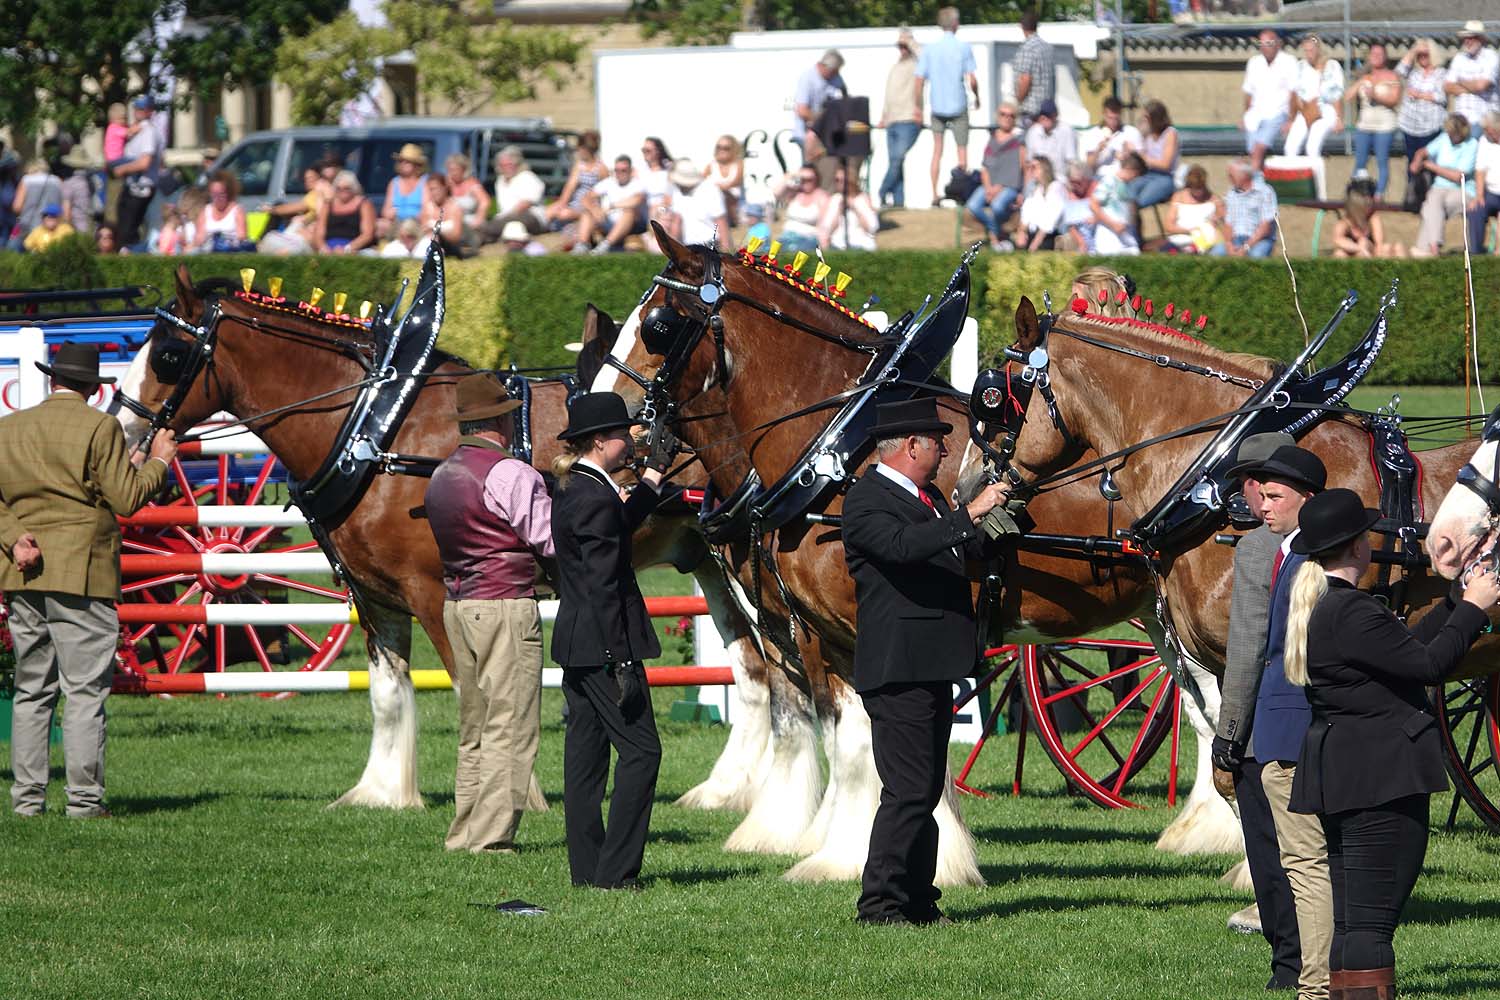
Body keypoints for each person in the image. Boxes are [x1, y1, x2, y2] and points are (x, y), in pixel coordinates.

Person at [1284, 488, 1500, 999]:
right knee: (1372, 924)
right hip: (1379, 778)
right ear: (1358, 546)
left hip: (1353, 773)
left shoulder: (1336, 608)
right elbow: (1428, 667)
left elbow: (1407, 652)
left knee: (1356, 919)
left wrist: (1453, 602)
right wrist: (1475, 608)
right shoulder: (1352, 612)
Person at [843, 397, 1009, 925]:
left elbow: (952, 553)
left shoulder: (929, 496)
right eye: (937, 441)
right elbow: (900, 547)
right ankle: (881, 902)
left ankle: (917, 896)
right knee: (909, 790)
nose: (944, 450)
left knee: (925, 787)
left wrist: (990, 527)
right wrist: (968, 515)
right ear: (911, 445)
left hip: (931, 663)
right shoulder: (867, 499)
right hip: (898, 666)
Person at [2, 343, 178, 818]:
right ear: (93, 388)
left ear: (52, 380)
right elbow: (126, 500)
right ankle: (83, 801)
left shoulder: (9, 427)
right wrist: (158, 461)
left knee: (32, 690)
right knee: (82, 691)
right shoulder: (100, 426)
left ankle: (27, 800)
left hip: (23, 572)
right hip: (82, 573)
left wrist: (16, 538)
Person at [1215, 440, 1327, 996]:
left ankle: (1294, 965)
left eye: (1264, 486)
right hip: (1281, 723)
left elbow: (1245, 650)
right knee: (1280, 855)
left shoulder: (1264, 550)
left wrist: (1228, 734)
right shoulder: (1269, 546)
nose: (1254, 498)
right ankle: (1294, 962)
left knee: (1283, 855)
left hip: (1277, 724)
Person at [425, 373, 554, 855]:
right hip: (504, 604)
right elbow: (550, 538)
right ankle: (494, 838)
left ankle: (464, 832)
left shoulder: (444, 475)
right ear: (500, 418)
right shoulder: (510, 472)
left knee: (474, 726)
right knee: (512, 724)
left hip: (459, 604)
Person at [550, 392, 671, 890]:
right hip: (603, 645)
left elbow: (617, 525)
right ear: (601, 442)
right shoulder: (595, 497)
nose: (632, 440)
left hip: (577, 642)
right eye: (625, 434)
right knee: (642, 754)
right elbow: (604, 585)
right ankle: (616, 875)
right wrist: (621, 661)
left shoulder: (578, 488)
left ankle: (589, 869)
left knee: (586, 758)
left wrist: (652, 481)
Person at [917, 8, 979, 206]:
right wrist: (977, 98)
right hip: (958, 104)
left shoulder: (929, 49)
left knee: (937, 151)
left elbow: (919, 80)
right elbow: (973, 79)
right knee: (962, 150)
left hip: (937, 106)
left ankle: (934, 194)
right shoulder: (963, 47)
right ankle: (961, 191)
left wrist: (918, 106)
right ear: (955, 24)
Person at [1410, 114, 1479, 257]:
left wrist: (1430, 166)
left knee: (1433, 206)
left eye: (1453, 133)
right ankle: (1432, 247)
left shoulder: (1472, 145)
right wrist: (1418, 160)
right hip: (1439, 188)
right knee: (1433, 201)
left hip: (1463, 189)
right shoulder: (1444, 138)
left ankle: (1426, 248)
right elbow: (1424, 151)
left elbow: (1457, 176)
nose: (1450, 136)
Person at [1396, 39, 1449, 208]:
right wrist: (1413, 51)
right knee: (1412, 162)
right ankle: (1412, 198)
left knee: (1428, 163)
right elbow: (1398, 72)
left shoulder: (1441, 73)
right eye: (1420, 55)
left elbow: (1441, 97)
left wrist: (1419, 94)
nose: (1422, 58)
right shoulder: (1415, 73)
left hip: (1431, 127)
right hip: (1410, 126)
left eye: (1425, 54)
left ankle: (1429, 198)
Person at [1346, 43, 1402, 198]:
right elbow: (1348, 96)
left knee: (1381, 161)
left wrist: (1376, 96)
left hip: (1384, 126)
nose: (1376, 57)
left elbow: (1394, 99)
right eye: (1373, 54)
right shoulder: (1365, 77)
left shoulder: (1392, 76)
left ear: (1385, 57)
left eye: (1380, 54)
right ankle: (1356, 194)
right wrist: (1360, 81)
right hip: (1364, 125)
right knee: (1360, 162)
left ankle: (1379, 195)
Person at [967, 104, 1025, 251]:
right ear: (997, 116)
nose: (1007, 118)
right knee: (973, 206)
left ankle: (994, 238)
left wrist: (1020, 192)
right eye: (1003, 114)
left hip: (1009, 186)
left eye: (1011, 115)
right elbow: (985, 168)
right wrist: (988, 189)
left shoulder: (1019, 141)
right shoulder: (991, 140)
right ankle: (999, 232)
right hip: (990, 185)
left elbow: (1022, 168)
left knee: (997, 207)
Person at [112, 96, 164, 248]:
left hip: (141, 188)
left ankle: (131, 259)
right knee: (124, 228)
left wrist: (121, 169)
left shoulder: (148, 130)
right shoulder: (138, 129)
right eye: (137, 108)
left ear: (150, 111)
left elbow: (145, 162)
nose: (139, 111)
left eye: (143, 108)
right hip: (134, 186)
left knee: (128, 231)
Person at [1244, 30, 1298, 175]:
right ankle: (1259, 184)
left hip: (1278, 114)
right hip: (1255, 115)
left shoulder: (1289, 62)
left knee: (1259, 148)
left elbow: (1294, 94)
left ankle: (1253, 187)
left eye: (1268, 43)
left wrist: (1291, 120)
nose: (1264, 47)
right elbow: (1248, 93)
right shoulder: (1254, 63)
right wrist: (1245, 116)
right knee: (1252, 152)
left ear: (1277, 44)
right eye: (1261, 43)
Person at [879, 28, 922, 209]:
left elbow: (925, 57)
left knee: (897, 159)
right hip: (893, 121)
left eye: (904, 46)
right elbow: (889, 94)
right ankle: (898, 202)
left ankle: (882, 191)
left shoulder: (916, 64)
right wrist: (884, 116)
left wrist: (911, 41)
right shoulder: (896, 66)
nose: (902, 49)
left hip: (908, 120)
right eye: (900, 46)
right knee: (896, 162)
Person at [792, 49, 848, 189]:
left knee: (830, 167)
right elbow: (802, 110)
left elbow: (844, 98)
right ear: (823, 66)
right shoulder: (807, 78)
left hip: (825, 137)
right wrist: (823, 121)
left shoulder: (835, 78)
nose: (836, 75)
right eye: (834, 71)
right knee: (810, 172)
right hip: (807, 134)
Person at [1285, 34, 1345, 158]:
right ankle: (1297, 176)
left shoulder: (1332, 66)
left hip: (1326, 110)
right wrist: (1291, 119)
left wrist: (1339, 118)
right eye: (1306, 51)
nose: (1309, 54)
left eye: (1311, 50)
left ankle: (1316, 176)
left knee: (1312, 147)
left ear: (1318, 49)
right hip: (1306, 110)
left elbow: (1336, 94)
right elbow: (1295, 94)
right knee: (1290, 147)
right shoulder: (1300, 66)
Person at [577, 155, 646, 254]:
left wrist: (611, 206)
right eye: (616, 170)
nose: (619, 173)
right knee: (587, 212)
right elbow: (586, 198)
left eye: (623, 170)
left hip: (630, 224)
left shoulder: (637, 184)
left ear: (630, 170)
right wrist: (595, 209)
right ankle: (582, 245)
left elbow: (636, 200)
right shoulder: (608, 182)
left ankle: (606, 246)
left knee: (629, 212)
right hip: (607, 219)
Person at [1216, 158, 1278, 258]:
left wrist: (1246, 247)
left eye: (1231, 175)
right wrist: (1228, 245)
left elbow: (1266, 227)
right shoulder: (1231, 194)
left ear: (1243, 176)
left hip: (1259, 240)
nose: (1228, 178)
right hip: (1236, 239)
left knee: (1256, 255)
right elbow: (1228, 224)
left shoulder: (1265, 192)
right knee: (1216, 253)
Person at [546, 130, 606, 232]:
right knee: (550, 210)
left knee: (564, 214)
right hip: (575, 203)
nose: (578, 151)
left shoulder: (601, 168)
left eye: (580, 148)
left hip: (589, 206)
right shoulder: (579, 166)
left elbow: (604, 192)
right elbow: (570, 186)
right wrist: (562, 203)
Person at [1445, 21, 1499, 129]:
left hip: (1484, 119)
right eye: (1465, 38)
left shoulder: (1491, 57)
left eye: (1471, 37)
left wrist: (1460, 81)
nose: (1467, 41)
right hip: (1460, 119)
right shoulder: (1459, 58)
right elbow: (1447, 87)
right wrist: (1473, 87)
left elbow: (1481, 86)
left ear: (1481, 39)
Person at [663, 159, 727, 249]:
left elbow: (721, 222)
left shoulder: (711, 190)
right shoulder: (677, 191)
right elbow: (676, 222)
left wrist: (726, 251)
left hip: (710, 245)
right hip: (688, 247)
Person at [486, 146, 547, 240]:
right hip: (507, 217)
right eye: (503, 165)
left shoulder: (528, 177)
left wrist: (503, 218)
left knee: (511, 221)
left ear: (517, 164)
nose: (507, 168)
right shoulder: (500, 181)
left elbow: (524, 205)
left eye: (510, 164)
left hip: (531, 217)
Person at [1163, 164, 1226, 254]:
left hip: (1206, 240)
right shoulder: (1178, 197)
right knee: (1167, 249)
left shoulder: (1214, 199)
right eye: (1195, 188)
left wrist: (1217, 219)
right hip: (1181, 237)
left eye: (1201, 188)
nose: (1199, 192)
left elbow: (1224, 219)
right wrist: (1191, 231)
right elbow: (1169, 226)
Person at [1333, 181, 1404, 258]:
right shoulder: (1345, 222)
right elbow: (1337, 240)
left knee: (1366, 242)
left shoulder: (1372, 218)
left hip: (1371, 252)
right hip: (1352, 252)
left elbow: (1379, 244)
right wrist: (1359, 248)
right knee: (1339, 253)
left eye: (1369, 204)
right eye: (1365, 205)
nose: (1369, 207)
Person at [1132, 100, 1180, 212]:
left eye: (1146, 117)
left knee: (1140, 201)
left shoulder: (1170, 133)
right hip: (1146, 174)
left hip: (1164, 177)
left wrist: (1143, 157)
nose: (1143, 120)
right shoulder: (1146, 133)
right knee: (1127, 194)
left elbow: (1165, 164)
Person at [315, 169, 376, 255]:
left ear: (354, 188)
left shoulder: (364, 204)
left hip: (356, 248)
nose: (342, 191)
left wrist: (347, 248)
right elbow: (319, 233)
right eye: (339, 188)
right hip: (329, 247)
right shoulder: (328, 205)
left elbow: (367, 234)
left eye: (346, 188)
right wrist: (323, 248)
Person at [1092, 151, 1142, 255]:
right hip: (1108, 233)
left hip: (1125, 233)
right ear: (1131, 170)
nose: (1136, 179)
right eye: (1136, 175)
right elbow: (1093, 204)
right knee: (1110, 267)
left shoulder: (1128, 186)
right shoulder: (1109, 180)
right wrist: (1112, 224)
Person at [819, 166, 879, 251]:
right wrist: (839, 211)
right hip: (838, 245)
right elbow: (827, 228)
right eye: (837, 180)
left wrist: (854, 208)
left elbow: (872, 227)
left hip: (860, 245)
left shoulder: (862, 199)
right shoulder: (834, 199)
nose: (839, 183)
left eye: (842, 180)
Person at [9, 158, 62, 252]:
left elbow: (17, 206)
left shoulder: (26, 180)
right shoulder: (57, 181)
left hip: (29, 225)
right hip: (52, 226)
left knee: (15, 249)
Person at [1012, 10, 1055, 125]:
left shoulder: (1027, 48)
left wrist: (1018, 101)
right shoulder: (1048, 48)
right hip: (1048, 109)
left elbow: (1025, 79)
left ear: (1022, 26)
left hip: (1031, 111)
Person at [1083, 96, 1142, 179]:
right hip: (1100, 177)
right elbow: (1089, 165)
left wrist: (1129, 155)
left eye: (1116, 118)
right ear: (1103, 114)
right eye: (1110, 118)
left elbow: (1141, 164)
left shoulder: (1131, 132)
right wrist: (1098, 150)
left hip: (1124, 178)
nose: (1113, 122)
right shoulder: (1093, 133)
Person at [380, 143, 430, 241]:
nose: (403, 164)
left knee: (408, 226)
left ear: (416, 165)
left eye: (407, 162)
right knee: (381, 225)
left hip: (416, 223)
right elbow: (385, 211)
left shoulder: (424, 182)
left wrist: (411, 217)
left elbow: (426, 209)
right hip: (396, 222)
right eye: (401, 161)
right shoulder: (394, 182)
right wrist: (390, 213)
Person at [191, 171, 249, 253]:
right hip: (208, 251)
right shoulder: (206, 211)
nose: (217, 198)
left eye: (221, 194)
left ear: (228, 193)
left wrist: (224, 239)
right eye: (214, 194)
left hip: (231, 251)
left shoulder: (237, 211)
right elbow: (198, 238)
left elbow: (242, 237)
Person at [777, 166, 828, 254]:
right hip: (786, 237)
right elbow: (776, 193)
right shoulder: (794, 193)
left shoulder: (822, 196)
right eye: (803, 179)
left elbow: (824, 226)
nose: (806, 182)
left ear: (816, 179)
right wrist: (793, 175)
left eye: (810, 179)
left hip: (808, 239)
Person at [1024, 99, 1077, 183]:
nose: (1045, 118)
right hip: (1037, 179)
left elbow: (1072, 162)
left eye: (1048, 115)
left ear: (1055, 115)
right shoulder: (1032, 132)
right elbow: (1029, 163)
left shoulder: (1067, 131)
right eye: (1042, 115)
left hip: (1059, 179)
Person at [1469, 111, 1500, 254]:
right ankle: (1476, 254)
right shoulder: (1484, 140)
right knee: (1476, 210)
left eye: (1488, 130)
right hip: (1491, 194)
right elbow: (1480, 169)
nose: (1486, 133)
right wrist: (1479, 195)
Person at [1018, 157, 1064, 251]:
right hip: (1033, 234)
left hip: (1048, 236)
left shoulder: (1056, 187)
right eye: (1029, 167)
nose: (1031, 170)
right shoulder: (1035, 189)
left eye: (1034, 167)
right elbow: (1026, 211)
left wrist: (1035, 243)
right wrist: (1022, 232)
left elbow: (1050, 219)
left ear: (1045, 169)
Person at [445, 153, 491, 233]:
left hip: (469, 222)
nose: (452, 173)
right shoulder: (446, 184)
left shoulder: (472, 184)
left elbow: (485, 201)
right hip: (450, 222)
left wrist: (479, 218)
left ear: (464, 170)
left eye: (455, 170)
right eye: (450, 170)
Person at [704, 135, 744, 227]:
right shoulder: (711, 165)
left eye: (726, 148)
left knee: (723, 194)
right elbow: (700, 183)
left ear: (733, 149)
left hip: (734, 203)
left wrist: (718, 188)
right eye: (719, 147)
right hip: (714, 201)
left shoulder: (739, 164)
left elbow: (736, 182)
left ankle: (731, 221)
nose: (721, 150)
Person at [1059, 160, 1096, 252]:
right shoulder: (1071, 195)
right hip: (1083, 236)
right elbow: (1071, 225)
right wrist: (1081, 242)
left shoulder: (1098, 189)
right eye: (1072, 182)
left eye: (1078, 182)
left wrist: (1096, 218)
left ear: (1087, 179)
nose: (1075, 185)